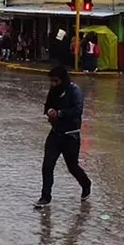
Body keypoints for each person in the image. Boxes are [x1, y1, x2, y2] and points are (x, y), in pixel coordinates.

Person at [35, 65, 92, 208]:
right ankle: (45, 197)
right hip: (55, 134)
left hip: (70, 136)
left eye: (55, 81)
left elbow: (77, 111)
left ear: (63, 80)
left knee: (72, 166)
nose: (53, 84)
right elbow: (47, 105)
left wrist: (60, 113)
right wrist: (49, 111)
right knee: (47, 165)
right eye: (51, 81)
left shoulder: (75, 92)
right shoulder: (53, 91)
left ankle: (86, 183)